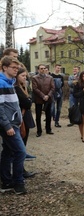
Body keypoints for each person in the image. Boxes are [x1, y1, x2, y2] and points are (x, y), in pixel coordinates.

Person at [0, 56, 27, 194]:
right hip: (8, 125)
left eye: (17, 68)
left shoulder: (10, 82)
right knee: (21, 152)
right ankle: (18, 183)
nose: (16, 70)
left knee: (8, 152)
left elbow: (12, 104)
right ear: (5, 67)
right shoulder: (1, 83)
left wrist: (19, 118)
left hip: (14, 123)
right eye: (13, 68)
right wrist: (7, 126)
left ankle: (6, 182)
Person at [14, 67, 36, 178]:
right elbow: (26, 102)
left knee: (23, 143)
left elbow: (29, 100)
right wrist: (27, 101)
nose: (25, 77)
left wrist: (28, 101)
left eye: (25, 76)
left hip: (25, 117)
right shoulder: (16, 88)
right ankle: (19, 171)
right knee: (20, 146)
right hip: (20, 119)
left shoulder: (23, 87)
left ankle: (21, 169)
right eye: (22, 76)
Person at [32, 64, 55, 137]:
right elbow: (35, 89)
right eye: (41, 68)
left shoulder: (50, 77)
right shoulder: (35, 78)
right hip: (39, 99)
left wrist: (48, 95)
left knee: (48, 115)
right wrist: (43, 96)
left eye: (44, 68)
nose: (43, 70)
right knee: (38, 115)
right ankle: (39, 131)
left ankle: (48, 129)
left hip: (48, 98)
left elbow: (53, 88)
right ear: (38, 70)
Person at [73, 71, 84, 143]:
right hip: (80, 104)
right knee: (80, 122)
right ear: (81, 77)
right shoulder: (77, 84)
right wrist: (82, 92)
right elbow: (75, 95)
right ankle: (82, 135)